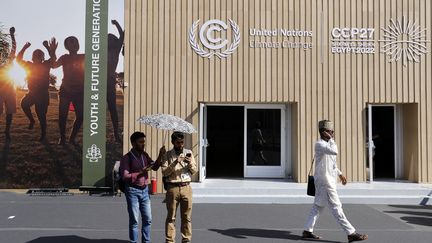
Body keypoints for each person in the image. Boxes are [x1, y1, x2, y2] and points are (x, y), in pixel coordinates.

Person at [302, 120, 368, 242]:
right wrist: (331, 139)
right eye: (330, 131)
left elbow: (332, 163)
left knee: (318, 207)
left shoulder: (328, 144)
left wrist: (340, 174)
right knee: (337, 207)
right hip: (325, 182)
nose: (332, 133)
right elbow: (335, 152)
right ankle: (351, 232)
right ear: (323, 132)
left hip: (327, 181)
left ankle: (307, 230)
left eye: (333, 131)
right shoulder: (320, 144)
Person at [120, 131, 165, 243]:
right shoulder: (127, 158)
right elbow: (125, 176)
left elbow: (154, 167)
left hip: (145, 191)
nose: (143, 144)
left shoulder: (145, 155)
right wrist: (141, 172)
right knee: (134, 221)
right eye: (140, 142)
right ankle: (134, 241)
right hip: (132, 191)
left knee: (148, 219)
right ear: (133, 143)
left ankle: (146, 241)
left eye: (144, 142)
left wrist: (160, 155)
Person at [17, 38, 57, 141]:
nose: (37, 56)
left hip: (43, 94)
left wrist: (48, 48)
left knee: (41, 115)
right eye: (35, 55)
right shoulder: (29, 65)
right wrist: (24, 48)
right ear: (33, 57)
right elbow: (18, 60)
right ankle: (32, 120)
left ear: (42, 57)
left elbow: (53, 59)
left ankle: (43, 134)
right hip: (32, 93)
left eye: (40, 55)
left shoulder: (46, 65)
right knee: (23, 104)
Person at [161, 132, 198, 243]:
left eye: (182, 142)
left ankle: (186, 240)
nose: (180, 145)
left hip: (186, 187)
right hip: (173, 187)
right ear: (173, 142)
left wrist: (190, 163)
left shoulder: (189, 153)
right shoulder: (167, 155)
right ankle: (170, 240)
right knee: (171, 217)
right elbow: (164, 172)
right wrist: (176, 162)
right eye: (178, 142)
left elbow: (195, 171)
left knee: (187, 217)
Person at [52, 36, 84, 145]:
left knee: (80, 116)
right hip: (66, 90)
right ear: (67, 46)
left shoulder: (84, 56)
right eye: (72, 42)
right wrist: (52, 51)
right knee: (62, 116)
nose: (75, 43)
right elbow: (53, 65)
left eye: (76, 41)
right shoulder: (64, 57)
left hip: (79, 91)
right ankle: (62, 138)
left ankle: (72, 138)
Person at [107, 19, 124, 142]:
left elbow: (122, 35)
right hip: (98, 82)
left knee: (113, 108)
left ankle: (116, 133)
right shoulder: (100, 51)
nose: (109, 40)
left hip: (110, 82)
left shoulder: (115, 50)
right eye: (107, 39)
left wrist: (116, 24)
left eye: (112, 39)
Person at [0, 27, 16, 142]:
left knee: (10, 112)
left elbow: (14, 47)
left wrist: (12, 35)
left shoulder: (9, 59)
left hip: (10, 89)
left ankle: (7, 131)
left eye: (7, 47)